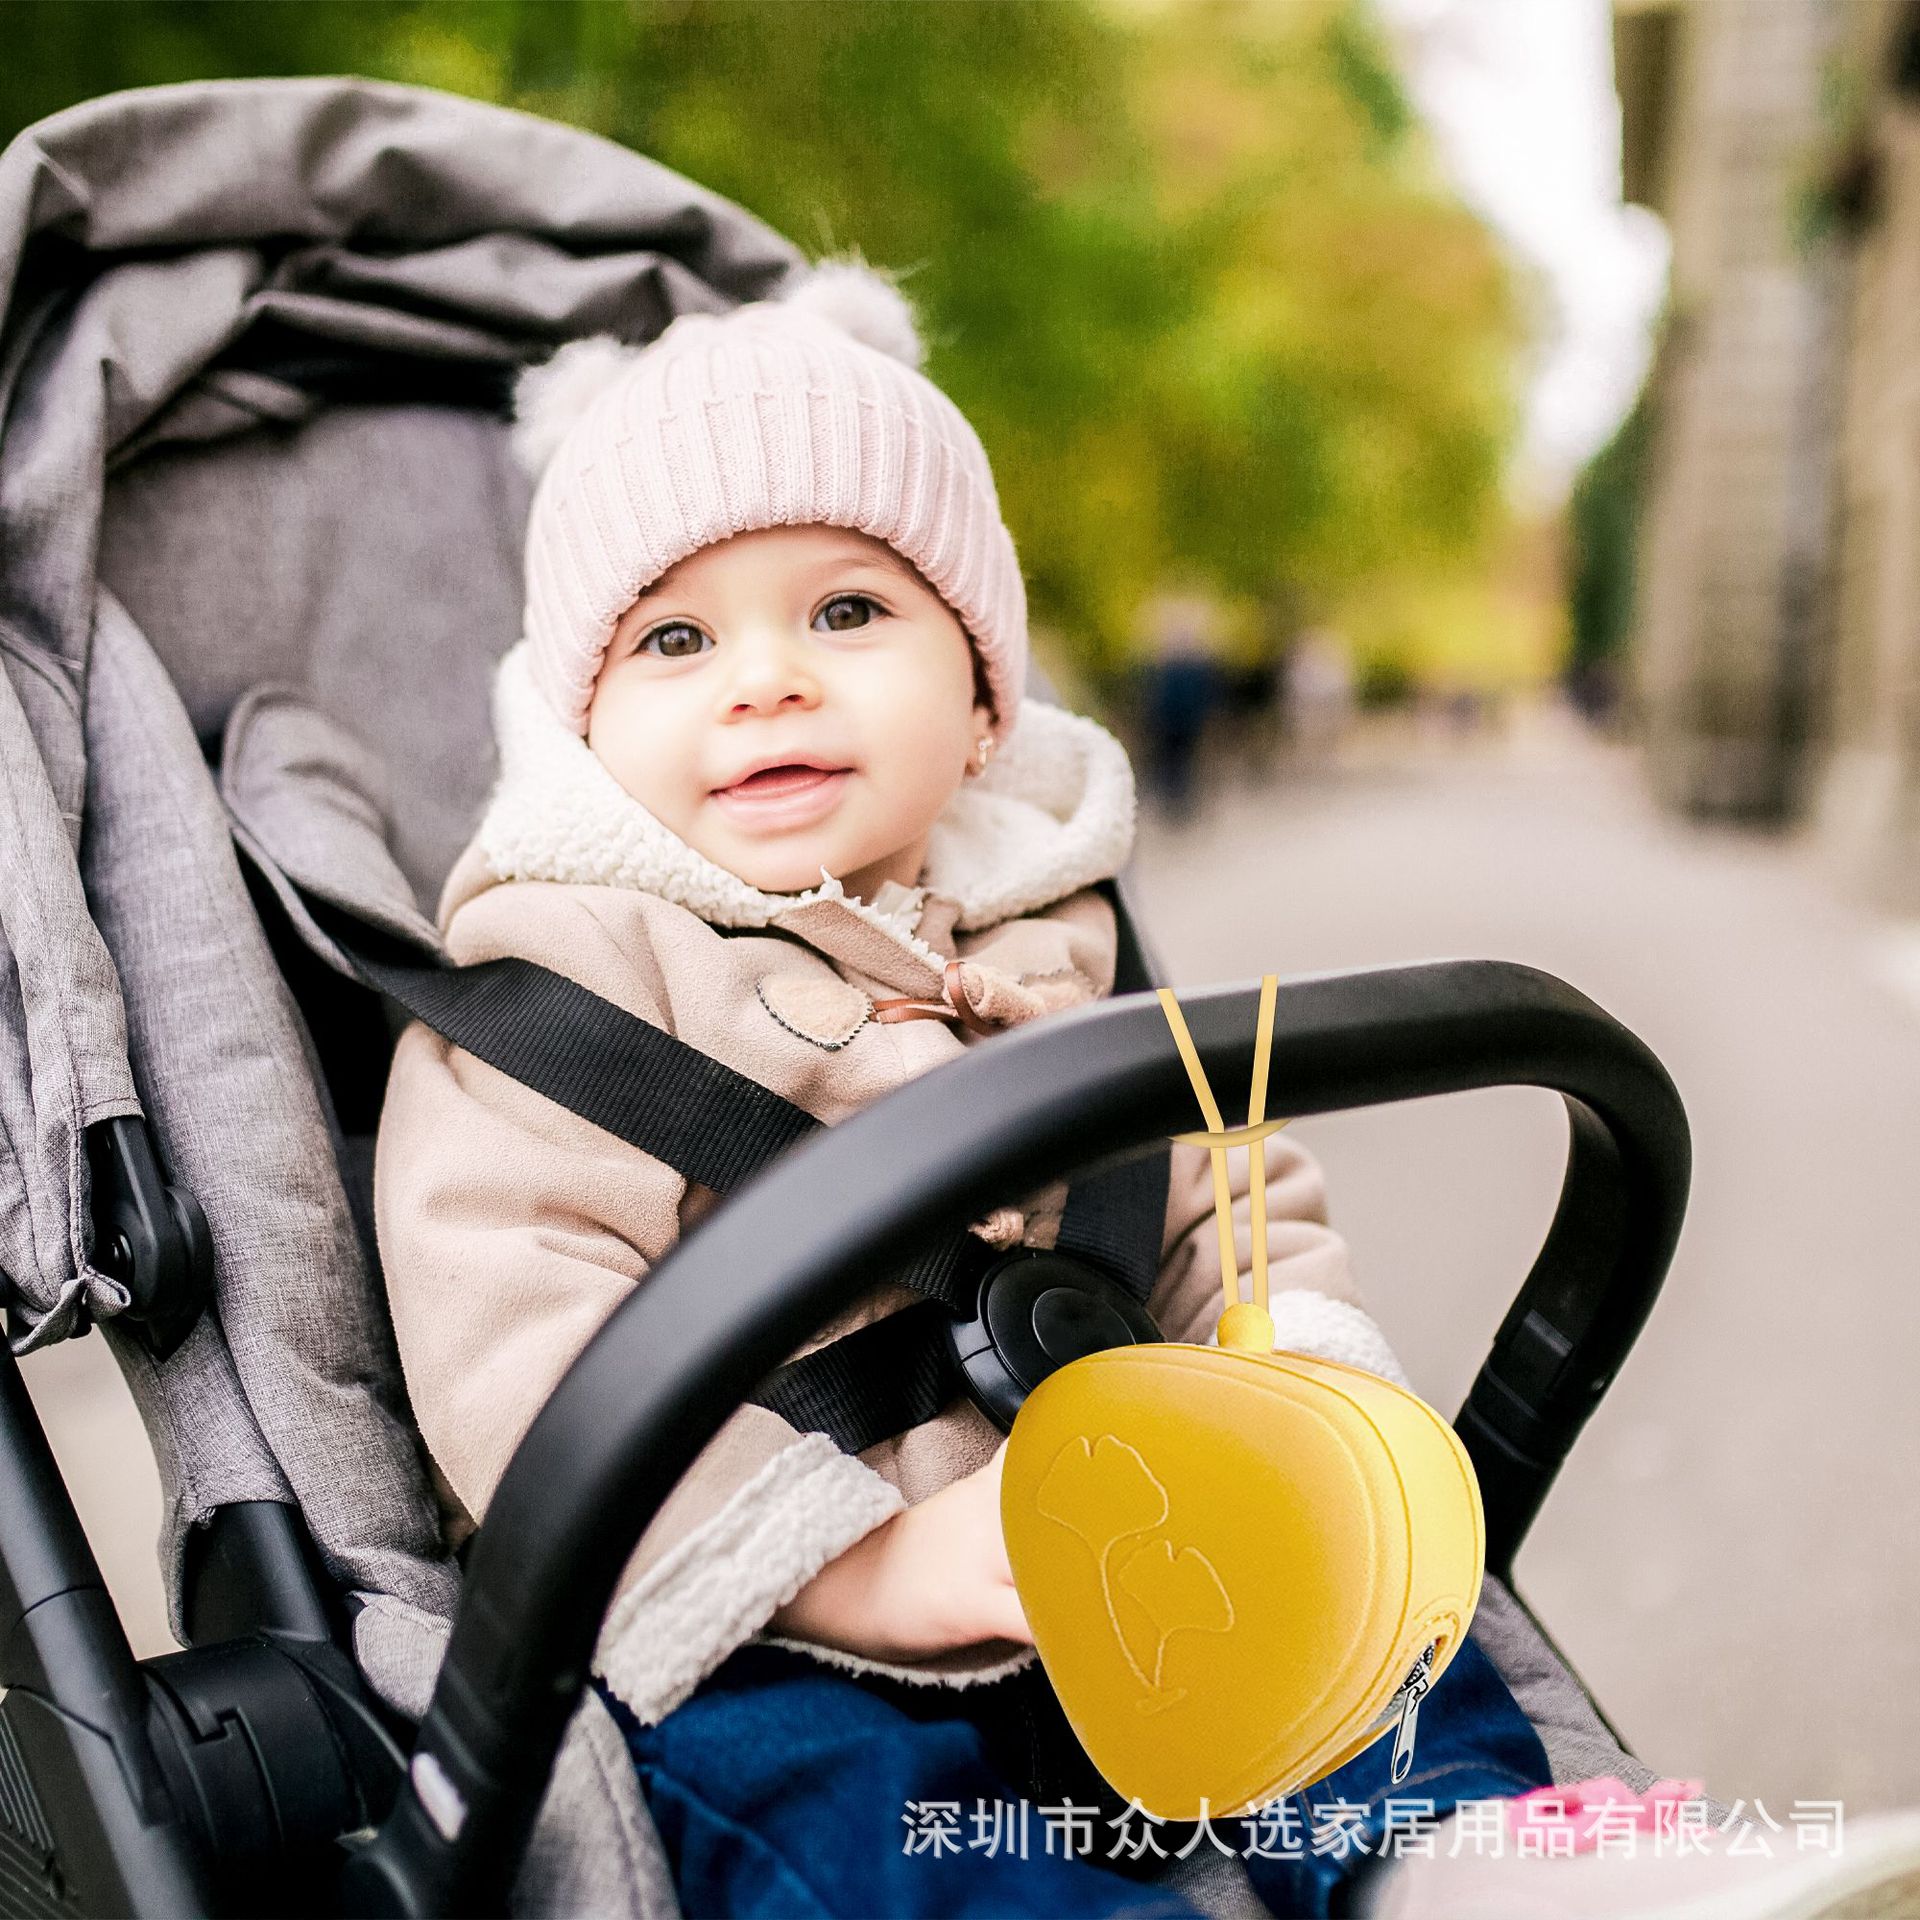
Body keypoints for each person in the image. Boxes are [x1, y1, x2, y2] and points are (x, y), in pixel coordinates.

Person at [372, 260, 1920, 1919]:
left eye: (845, 611)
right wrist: (863, 1571)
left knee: (1368, 1625)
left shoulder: (1056, 932)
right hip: (765, 1610)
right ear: (584, 724)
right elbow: (517, 1343)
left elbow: (1232, 1208)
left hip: (1135, 1544)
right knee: (818, 1806)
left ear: (981, 706)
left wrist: (1306, 1401)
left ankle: (1475, 1867)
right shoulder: (567, 987)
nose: (766, 678)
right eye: (677, 636)